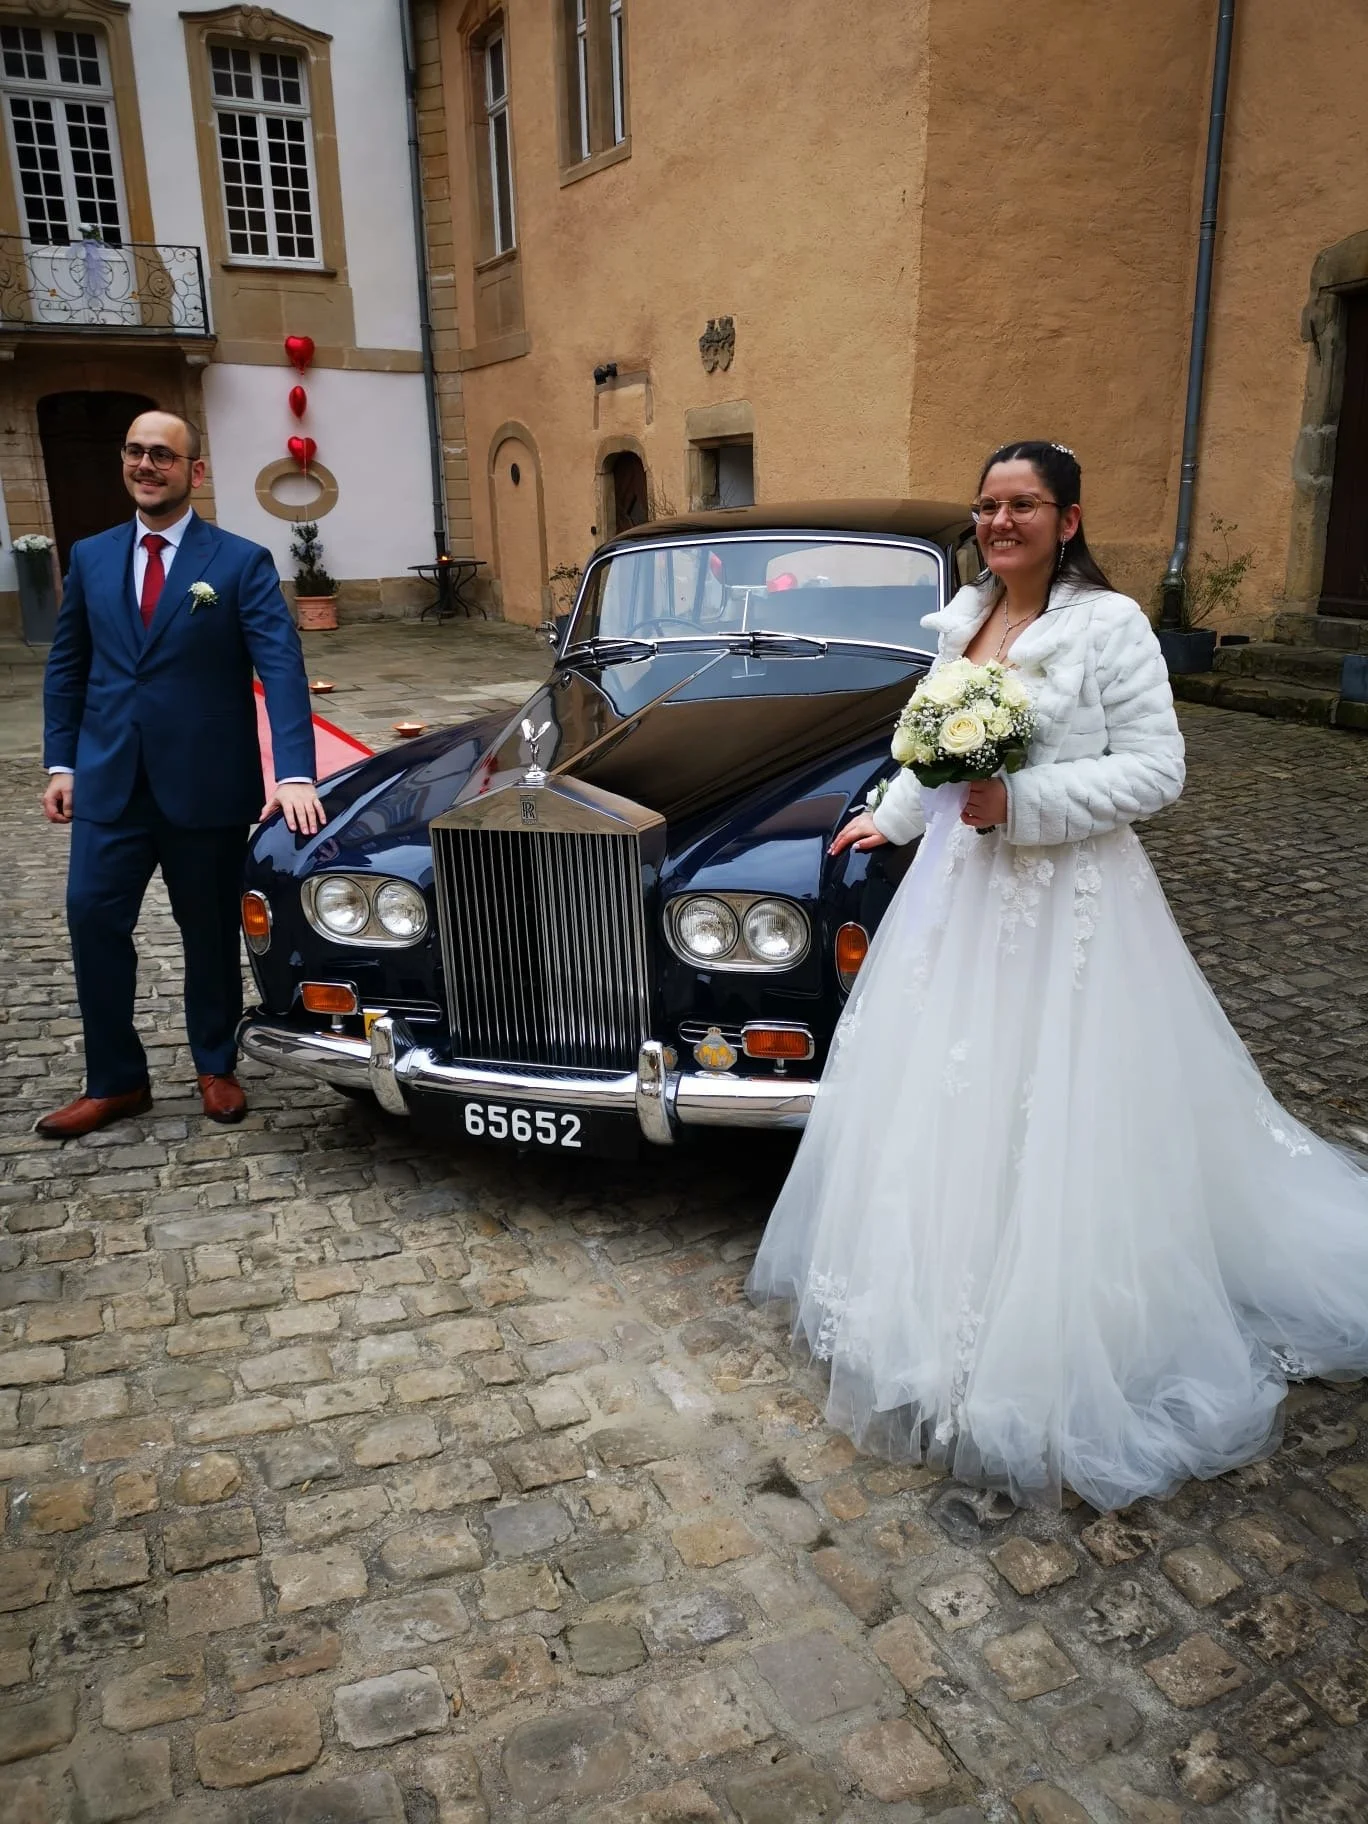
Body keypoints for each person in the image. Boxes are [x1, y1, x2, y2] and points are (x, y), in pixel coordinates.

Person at [747, 440, 1368, 1513]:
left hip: (1070, 900)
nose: (1000, 521)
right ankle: (936, 1313)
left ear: (1067, 519)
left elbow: (1158, 769)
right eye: (987, 504)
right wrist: (887, 819)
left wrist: (1025, 807)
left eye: (1022, 504)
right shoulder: (964, 616)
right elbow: (929, 752)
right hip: (959, 894)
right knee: (952, 1087)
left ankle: (1054, 1333)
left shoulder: (1108, 627)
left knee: (1062, 1093)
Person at [38, 409, 325, 1138]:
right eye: (134, 451)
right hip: (109, 785)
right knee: (93, 921)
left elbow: (281, 669)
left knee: (207, 932)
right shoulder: (92, 557)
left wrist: (294, 772)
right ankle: (115, 1081)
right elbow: (68, 667)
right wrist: (62, 761)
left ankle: (214, 1064)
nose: (145, 465)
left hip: (205, 787)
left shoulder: (237, 562)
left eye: (162, 455)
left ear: (193, 471)